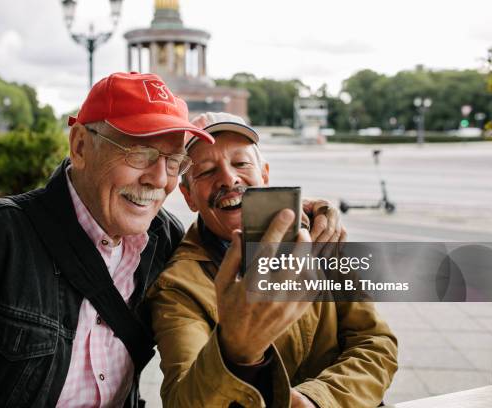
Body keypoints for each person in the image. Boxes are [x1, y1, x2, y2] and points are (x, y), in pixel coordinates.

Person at [0, 72, 215, 407]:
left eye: (173, 161)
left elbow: (236, 283)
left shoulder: (165, 240)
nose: (159, 179)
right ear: (81, 146)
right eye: (140, 153)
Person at [146, 112, 398, 408]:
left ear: (264, 174)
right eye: (206, 171)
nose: (229, 178)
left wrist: (317, 399)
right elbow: (184, 399)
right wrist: (235, 350)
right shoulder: (178, 286)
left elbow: (375, 343)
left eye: (241, 163)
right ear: (188, 196)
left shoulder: (318, 237)